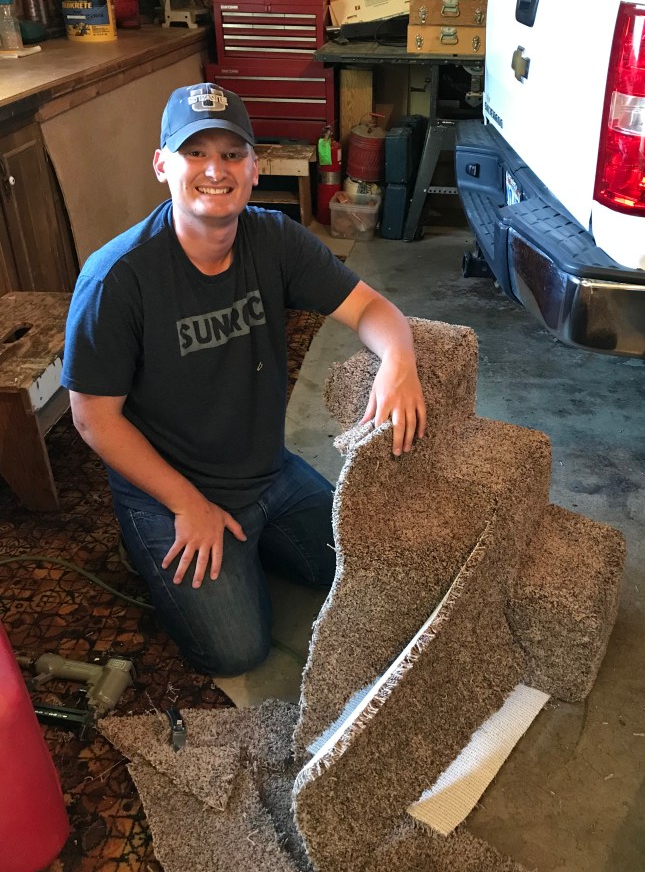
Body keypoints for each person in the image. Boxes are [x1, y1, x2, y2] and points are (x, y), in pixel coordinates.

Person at [61, 82, 426, 678]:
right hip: (170, 488)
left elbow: (370, 309)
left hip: (266, 471)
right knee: (237, 650)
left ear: (255, 169)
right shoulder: (116, 279)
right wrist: (186, 503)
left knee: (370, 562)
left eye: (232, 154)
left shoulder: (274, 239)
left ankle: (249, 544)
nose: (215, 170)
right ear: (162, 165)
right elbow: (92, 417)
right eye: (195, 153)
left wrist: (399, 362)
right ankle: (145, 540)